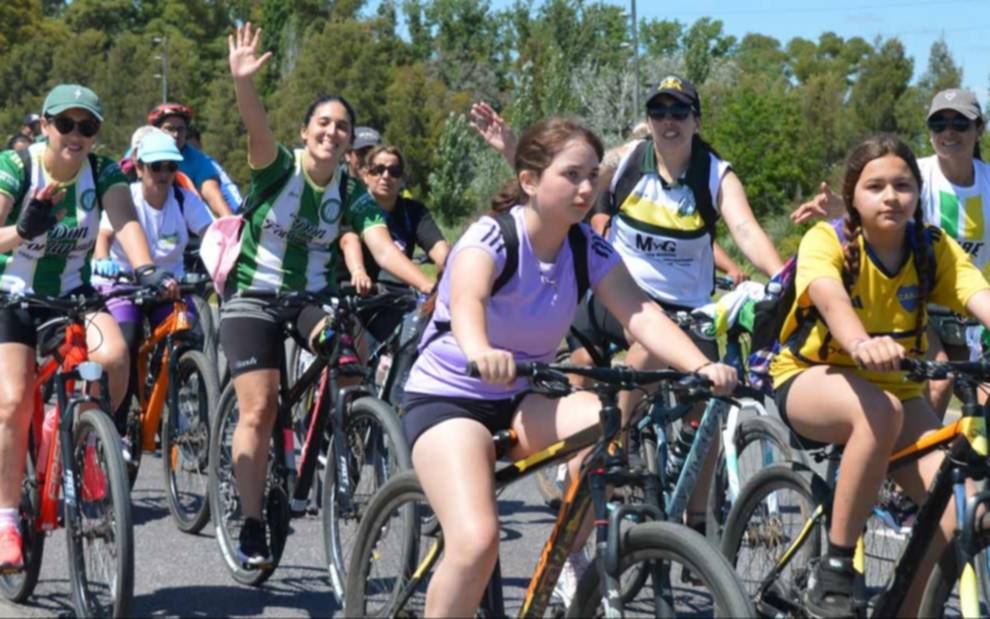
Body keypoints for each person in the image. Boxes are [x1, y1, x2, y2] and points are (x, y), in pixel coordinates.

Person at [402, 117, 738, 616]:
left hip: (523, 396)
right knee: (476, 542)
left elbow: (642, 313)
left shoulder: (585, 247)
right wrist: (479, 351)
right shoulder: (490, 237)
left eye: (591, 176)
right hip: (451, 400)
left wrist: (701, 365)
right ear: (529, 181)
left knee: (606, 424)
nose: (585, 189)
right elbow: (468, 300)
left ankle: (568, 555)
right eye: (571, 175)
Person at [222, 23, 434, 568]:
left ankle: (333, 438)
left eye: (343, 127)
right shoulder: (277, 167)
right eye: (324, 123)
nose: (333, 132)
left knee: (350, 354)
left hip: (310, 300)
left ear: (349, 142)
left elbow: (383, 249)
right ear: (305, 130)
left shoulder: (351, 192)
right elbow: (255, 122)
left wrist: (434, 285)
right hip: (253, 297)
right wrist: (244, 81)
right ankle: (251, 524)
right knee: (259, 407)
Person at [771, 133, 990, 617]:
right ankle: (835, 566)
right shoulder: (826, 239)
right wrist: (860, 343)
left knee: (963, 512)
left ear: (917, 193)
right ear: (852, 196)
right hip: (812, 377)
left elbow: (978, 293)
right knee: (879, 410)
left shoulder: (931, 247)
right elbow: (829, 296)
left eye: (903, 185)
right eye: (876, 186)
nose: (891, 196)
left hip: (898, 391)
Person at [0, 84, 174, 569]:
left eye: (88, 126)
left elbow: (126, 220)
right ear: (45, 125)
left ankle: (87, 441)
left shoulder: (101, 172)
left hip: (71, 293)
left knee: (115, 357)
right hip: (11, 293)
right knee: (12, 400)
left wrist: (146, 269)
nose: (76, 135)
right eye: (66, 124)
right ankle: (6, 518)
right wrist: (23, 230)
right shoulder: (16, 166)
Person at [792, 88, 990, 417]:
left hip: (964, 303)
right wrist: (840, 208)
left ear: (979, 129)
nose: (948, 132)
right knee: (938, 382)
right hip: (917, 303)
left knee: (980, 399)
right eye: (939, 124)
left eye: (960, 124)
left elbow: (968, 283)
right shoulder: (910, 173)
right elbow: (875, 212)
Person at [91, 131, 214, 446]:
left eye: (171, 167)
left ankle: (181, 403)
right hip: (123, 283)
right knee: (127, 338)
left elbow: (212, 235)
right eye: (156, 166)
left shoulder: (184, 200)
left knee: (191, 334)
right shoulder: (126, 197)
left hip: (168, 286)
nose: (163, 174)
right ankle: (117, 420)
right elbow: (103, 237)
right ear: (139, 167)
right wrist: (102, 259)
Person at [338, 144, 450, 340]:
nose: (386, 176)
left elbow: (438, 248)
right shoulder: (355, 206)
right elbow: (350, 240)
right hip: (357, 294)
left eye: (394, 171)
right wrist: (358, 271)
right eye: (378, 170)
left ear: (402, 179)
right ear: (365, 175)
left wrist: (456, 268)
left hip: (397, 296)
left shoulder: (413, 211)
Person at [147, 102, 236, 217]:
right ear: (156, 131)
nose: (175, 134)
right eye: (169, 129)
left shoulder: (197, 159)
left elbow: (212, 193)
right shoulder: (140, 153)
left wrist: (230, 221)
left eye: (180, 129)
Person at [185, 125, 244, 212]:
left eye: (194, 150)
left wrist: (238, 211)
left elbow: (228, 189)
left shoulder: (209, 164)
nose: (192, 155)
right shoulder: (171, 167)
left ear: (200, 145)